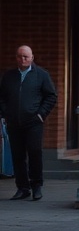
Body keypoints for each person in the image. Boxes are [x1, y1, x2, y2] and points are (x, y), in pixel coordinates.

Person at [0, 46, 57, 201]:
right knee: (17, 156)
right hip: (14, 122)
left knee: (34, 153)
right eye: (20, 56)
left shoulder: (41, 75)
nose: (23, 59)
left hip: (33, 122)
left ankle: (36, 186)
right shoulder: (9, 76)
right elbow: (2, 97)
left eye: (26, 56)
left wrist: (41, 114)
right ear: (16, 58)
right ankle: (22, 188)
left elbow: (51, 96)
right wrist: (6, 113)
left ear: (32, 57)